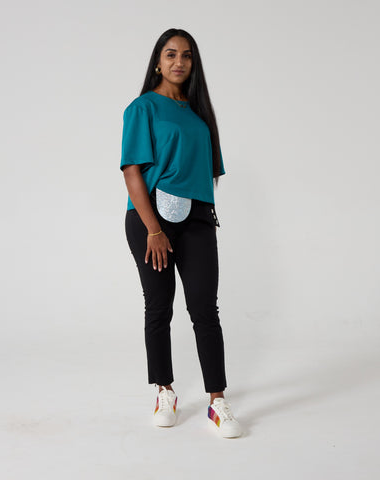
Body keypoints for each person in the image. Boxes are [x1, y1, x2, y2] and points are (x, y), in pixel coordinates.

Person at [120, 28, 242, 438]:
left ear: (193, 64)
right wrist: (154, 229)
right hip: (150, 218)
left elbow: (208, 173)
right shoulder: (142, 109)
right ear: (158, 60)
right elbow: (132, 171)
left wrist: (201, 216)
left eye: (187, 56)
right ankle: (164, 390)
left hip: (197, 219)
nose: (179, 62)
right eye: (170, 54)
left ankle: (217, 401)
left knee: (205, 309)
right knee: (159, 308)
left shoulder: (199, 115)